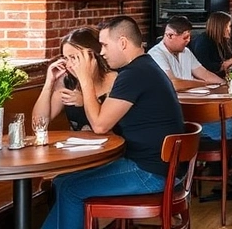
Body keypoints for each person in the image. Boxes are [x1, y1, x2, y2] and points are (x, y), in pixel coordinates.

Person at [41, 16, 184, 229]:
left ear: (123, 42)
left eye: (105, 45)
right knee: (62, 181)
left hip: (150, 173)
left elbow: (99, 126)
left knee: (71, 189)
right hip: (159, 168)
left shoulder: (133, 74)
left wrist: (86, 79)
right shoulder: (144, 68)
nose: (102, 52)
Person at [149, 15, 229, 140]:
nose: (188, 40)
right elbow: (173, 83)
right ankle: (213, 155)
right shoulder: (156, 54)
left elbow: (204, 73)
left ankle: (219, 155)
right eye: (185, 37)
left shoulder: (185, 52)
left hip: (192, 107)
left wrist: (225, 84)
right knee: (225, 125)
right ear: (170, 35)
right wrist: (202, 83)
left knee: (227, 120)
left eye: (189, 36)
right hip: (174, 112)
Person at [32, 27, 117, 131]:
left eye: (74, 57)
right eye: (66, 58)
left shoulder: (116, 80)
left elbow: (105, 125)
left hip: (113, 144)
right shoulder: (68, 82)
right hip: (77, 145)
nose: (69, 64)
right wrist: (49, 83)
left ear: (92, 56)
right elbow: (38, 124)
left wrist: (84, 102)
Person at [192, 11, 232, 77]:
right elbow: (205, 68)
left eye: (230, 26)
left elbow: (228, 58)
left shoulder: (222, 40)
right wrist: (230, 62)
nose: (229, 30)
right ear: (219, 27)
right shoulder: (203, 41)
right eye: (227, 27)